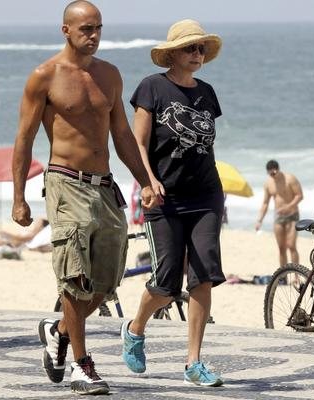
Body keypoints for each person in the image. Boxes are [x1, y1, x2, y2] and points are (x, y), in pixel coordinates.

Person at [11, 1, 157, 395]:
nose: (92, 36)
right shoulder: (44, 76)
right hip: (64, 181)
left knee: (105, 282)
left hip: (104, 184)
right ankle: (81, 364)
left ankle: (58, 330)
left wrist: (145, 179)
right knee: (75, 276)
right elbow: (23, 140)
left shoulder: (109, 75)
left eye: (98, 28)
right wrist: (19, 197)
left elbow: (122, 135)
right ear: (66, 30)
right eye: (85, 29)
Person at [119, 19, 225, 387]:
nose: (196, 55)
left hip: (206, 195)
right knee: (165, 283)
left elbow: (205, 146)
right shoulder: (152, 87)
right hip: (164, 198)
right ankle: (135, 329)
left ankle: (194, 361)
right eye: (189, 49)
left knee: (204, 276)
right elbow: (137, 145)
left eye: (200, 49)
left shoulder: (207, 92)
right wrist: (147, 181)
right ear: (172, 54)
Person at [255, 160, 304, 268]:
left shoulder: (290, 179)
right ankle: (283, 277)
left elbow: (299, 196)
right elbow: (265, 203)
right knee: (281, 248)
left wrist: (288, 207)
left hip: (292, 215)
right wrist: (259, 220)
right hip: (278, 217)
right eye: (270, 174)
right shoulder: (268, 184)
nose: (272, 176)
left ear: (278, 170)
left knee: (291, 246)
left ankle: (296, 275)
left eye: (273, 173)